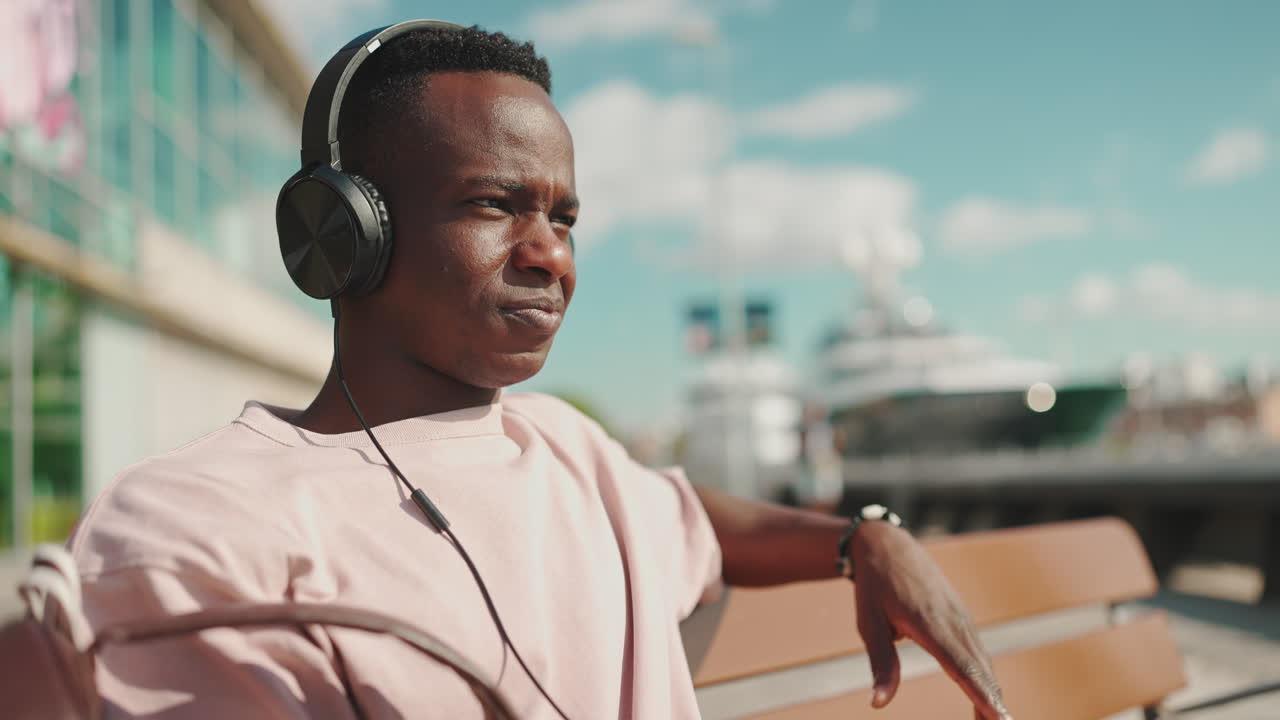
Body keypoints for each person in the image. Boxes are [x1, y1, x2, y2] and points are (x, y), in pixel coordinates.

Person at [69, 23, 1011, 720]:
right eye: (496, 203)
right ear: (345, 233)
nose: (550, 256)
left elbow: (693, 520)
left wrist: (863, 541)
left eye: (562, 218)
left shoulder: (567, 446)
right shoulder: (190, 522)